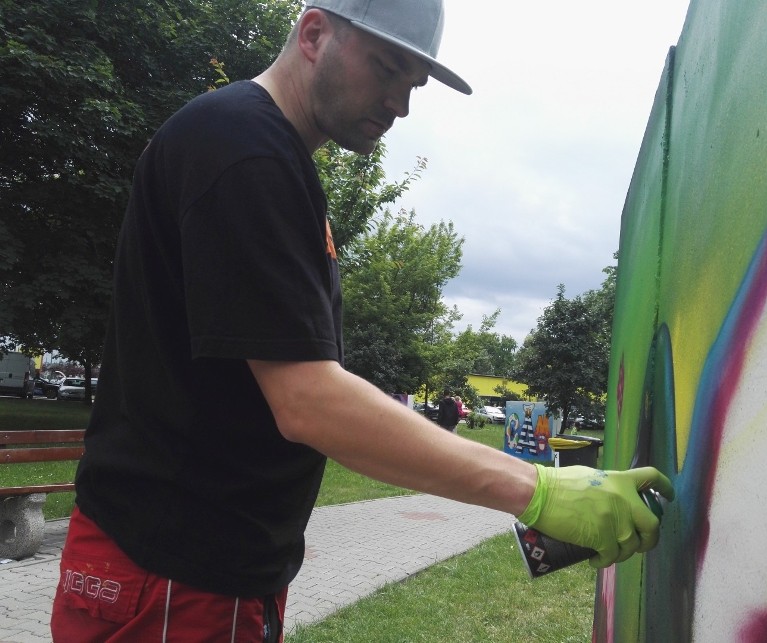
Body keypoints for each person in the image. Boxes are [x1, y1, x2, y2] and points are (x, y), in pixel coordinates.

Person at [50, 1, 674, 640]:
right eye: (386, 69)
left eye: (413, 86)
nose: (400, 104)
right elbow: (310, 402)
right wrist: (538, 490)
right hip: (175, 571)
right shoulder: (246, 150)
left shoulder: (264, 153)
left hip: (193, 566)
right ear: (314, 34)